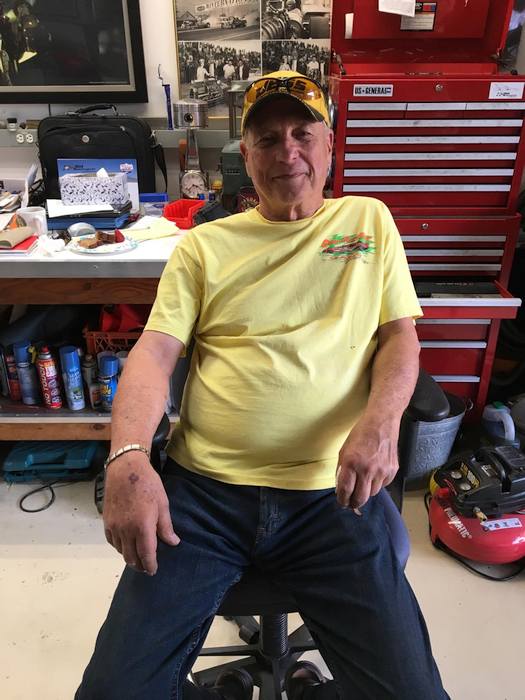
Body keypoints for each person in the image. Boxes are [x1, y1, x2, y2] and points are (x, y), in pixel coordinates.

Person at [75, 70, 450, 700]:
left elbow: (400, 338)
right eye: (268, 139)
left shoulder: (368, 221)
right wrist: (128, 455)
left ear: (330, 146)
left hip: (331, 495)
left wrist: (381, 423)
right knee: (113, 692)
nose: (287, 152)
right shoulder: (204, 246)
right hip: (204, 494)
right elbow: (153, 353)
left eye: (303, 134)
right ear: (246, 156)